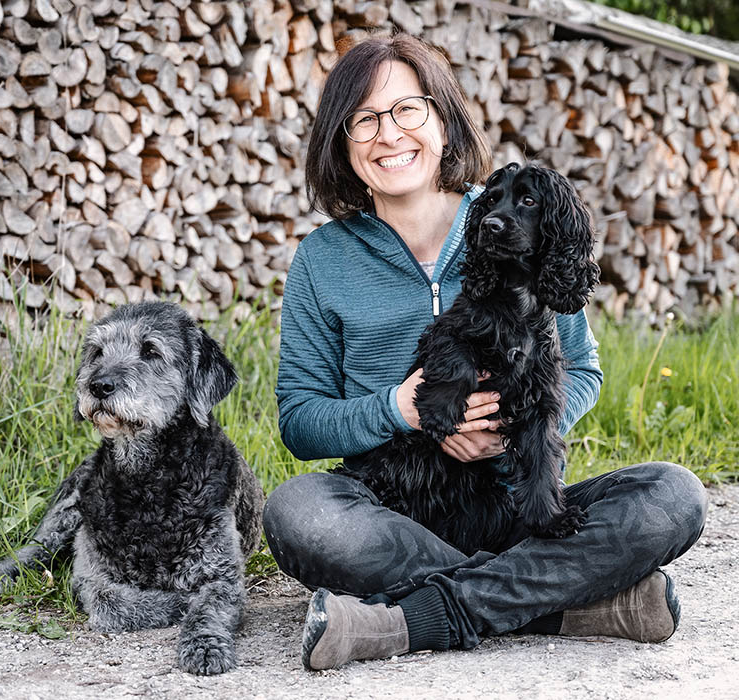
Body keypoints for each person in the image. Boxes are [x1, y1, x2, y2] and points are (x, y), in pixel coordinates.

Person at [262, 33, 708, 670]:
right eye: (365, 119)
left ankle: (420, 617)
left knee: (673, 496)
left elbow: (581, 370)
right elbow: (301, 420)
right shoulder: (322, 260)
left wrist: (509, 432)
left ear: (441, 121)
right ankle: (560, 603)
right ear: (342, 141)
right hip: (395, 511)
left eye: (406, 110)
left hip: (515, 498)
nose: (389, 135)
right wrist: (401, 408)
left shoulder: (525, 219)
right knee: (299, 512)